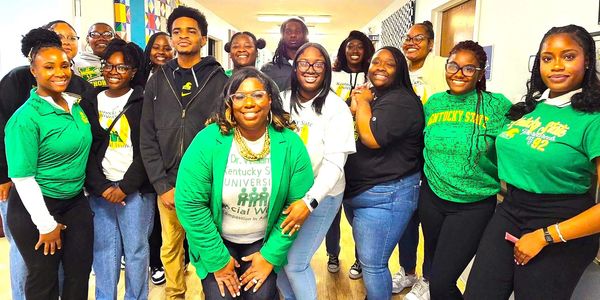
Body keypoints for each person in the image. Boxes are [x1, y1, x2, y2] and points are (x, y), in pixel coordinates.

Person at [464, 24, 600, 300]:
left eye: (569, 56)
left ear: (588, 61)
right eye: (547, 58)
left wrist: (545, 236)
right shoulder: (531, 107)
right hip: (511, 209)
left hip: (561, 218)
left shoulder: (593, 119)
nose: (556, 66)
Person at [176, 67, 314, 299]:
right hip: (216, 238)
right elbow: (190, 203)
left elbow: (295, 207)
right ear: (230, 103)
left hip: (263, 240)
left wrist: (269, 256)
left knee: (263, 294)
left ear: (270, 100)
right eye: (239, 96)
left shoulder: (290, 144)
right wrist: (218, 260)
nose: (249, 102)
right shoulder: (209, 140)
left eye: (258, 95)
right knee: (220, 295)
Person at [405, 41, 512, 300]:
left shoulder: (497, 106)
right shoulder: (434, 104)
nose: (458, 73)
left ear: (480, 73)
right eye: (453, 65)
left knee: (442, 282)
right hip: (432, 199)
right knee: (433, 265)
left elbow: (517, 147)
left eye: (468, 68)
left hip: (472, 205)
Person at [140, 6, 228, 299]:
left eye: (191, 31)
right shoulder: (158, 78)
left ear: (203, 38)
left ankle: (210, 293)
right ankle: (174, 294)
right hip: (169, 182)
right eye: (176, 31)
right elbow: (147, 135)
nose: (182, 37)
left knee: (207, 243)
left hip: (207, 181)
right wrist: (161, 185)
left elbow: (225, 131)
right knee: (170, 246)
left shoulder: (219, 79)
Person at [0, 21, 91, 300]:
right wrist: (46, 224)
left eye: (64, 65)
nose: (59, 72)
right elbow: (23, 179)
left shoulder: (74, 104)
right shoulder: (25, 119)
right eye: (49, 67)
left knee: (78, 276)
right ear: (34, 71)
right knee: (43, 282)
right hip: (36, 207)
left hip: (75, 201)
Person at [276, 43, 356, 299]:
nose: (310, 69)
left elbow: (334, 164)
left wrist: (308, 203)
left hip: (322, 197)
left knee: (296, 263)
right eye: (304, 63)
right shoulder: (282, 99)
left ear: (326, 69)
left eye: (318, 64)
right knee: (280, 262)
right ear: (295, 66)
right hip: (286, 195)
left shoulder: (336, 108)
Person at [344, 46, 424, 299]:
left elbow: (371, 137)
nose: (380, 67)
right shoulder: (377, 95)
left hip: (386, 195)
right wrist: (357, 105)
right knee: (371, 263)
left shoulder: (400, 100)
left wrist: (363, 102)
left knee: (374, 265)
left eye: (389, 64)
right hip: (362, 191)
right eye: (376, 62)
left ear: (400, 69)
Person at [80, 39, 155, 300]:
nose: (113, 72)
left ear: (133, 71)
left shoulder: (143, 101)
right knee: (103, 251)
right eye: (108, 66)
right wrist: (101, 187)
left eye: (121, 67)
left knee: (135, 250)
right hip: (100, 192)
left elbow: (148, 150)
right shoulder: (90, 101)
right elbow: (86, 148)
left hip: (135, 192)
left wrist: (124, 188)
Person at [326, 29, 375, 280]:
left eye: (359, 47)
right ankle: (332, 253)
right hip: (335, 147)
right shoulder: (333, 76)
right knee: (330, 208)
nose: (354, 51)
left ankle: (360, 258)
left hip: (362, 153)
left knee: (357, 213)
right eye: (350, 47)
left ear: (366, 50)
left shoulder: (373, 76)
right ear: (343, 51)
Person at [141, 31, 176, 286]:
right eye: (157, 47)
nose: (162, 51)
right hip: (148, 161)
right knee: (154, 221)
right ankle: (156, 263)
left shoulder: (176, 77)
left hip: (171, 163)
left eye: (167, 47)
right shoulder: (141, 79)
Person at [401, 21, 446, 105]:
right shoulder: (398, 68)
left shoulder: (444, 66)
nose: (410, 43)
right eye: (407, 39)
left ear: (430, 44)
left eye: (418, 39)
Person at [261, 17, 308, 91]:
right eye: (288, 32)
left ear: (305, 35)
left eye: (298, 31)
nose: (293, 35)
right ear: (282, 36)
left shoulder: (314, 66)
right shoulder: (268, 69)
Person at [73, 22, 116, 87]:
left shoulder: (122, 61)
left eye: (107, 34)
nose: (101, 38)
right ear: (87, 39)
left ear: (114, 38)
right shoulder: (76, 64)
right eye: (95, 34)